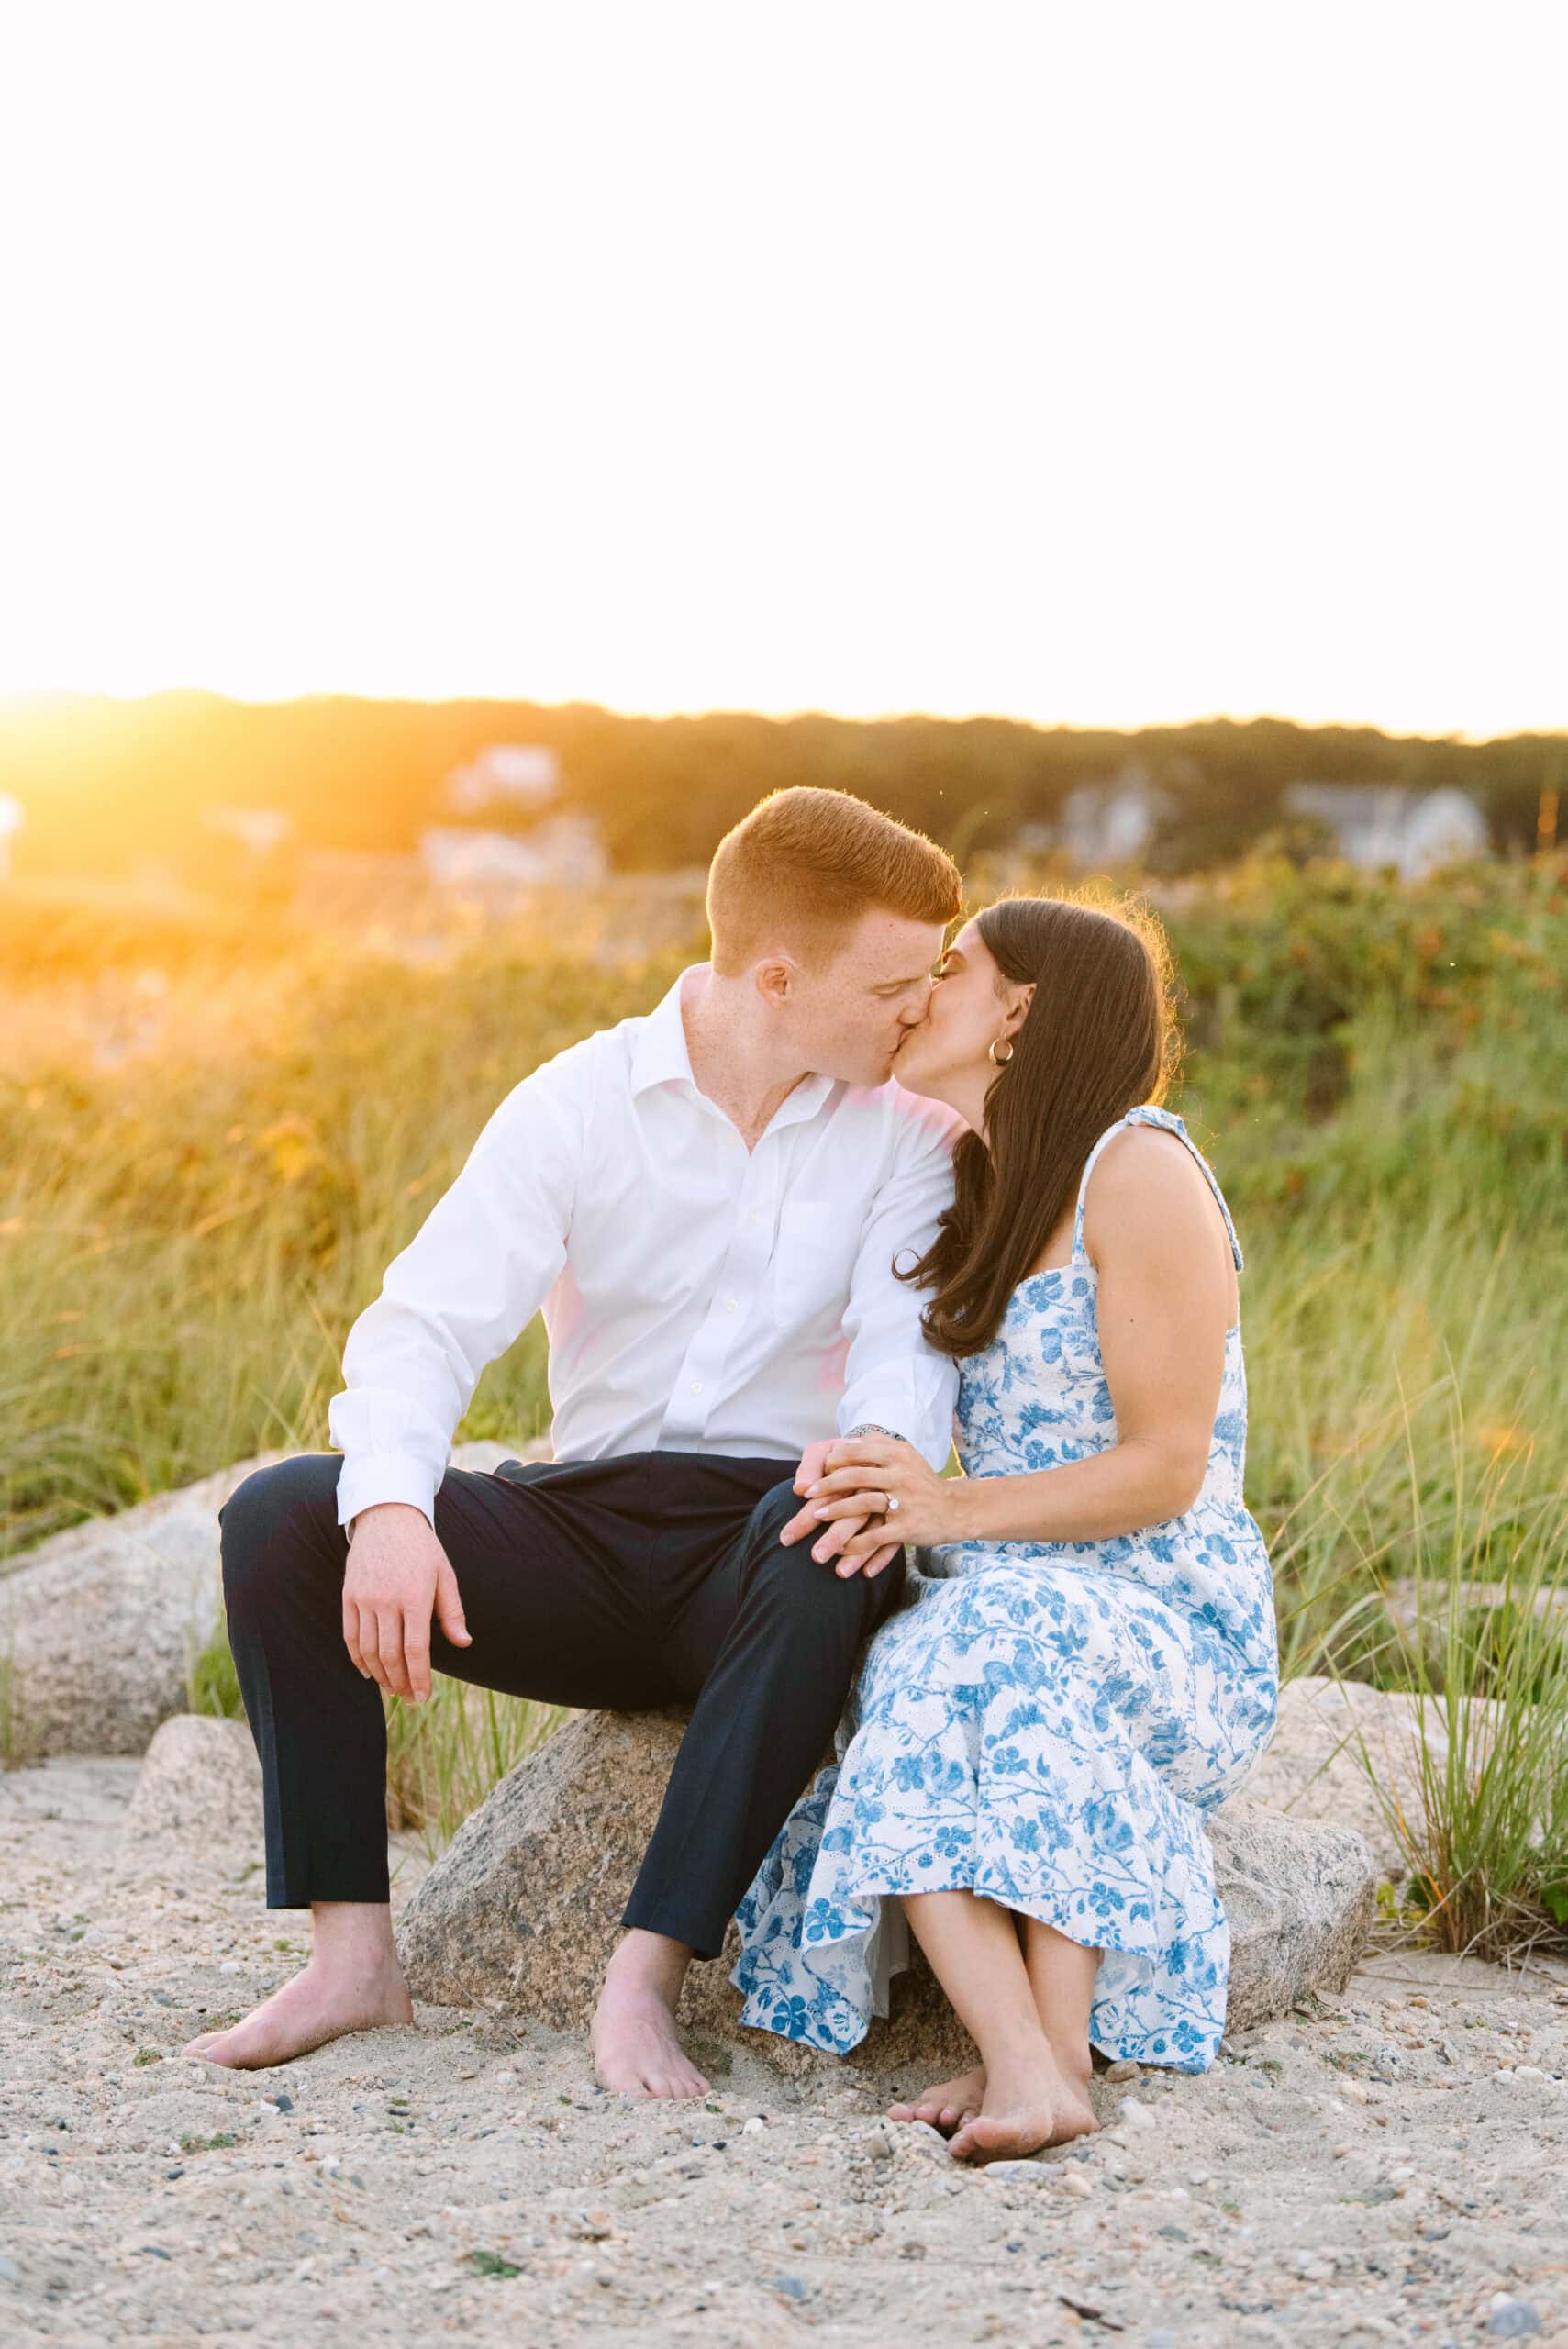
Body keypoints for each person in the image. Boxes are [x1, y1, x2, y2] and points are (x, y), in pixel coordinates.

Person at [187, 785, 968, 2096]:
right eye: (895, 983)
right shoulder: (579, 1100)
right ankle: (352, 1958)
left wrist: (876, 1456)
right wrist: (389, 1511)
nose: (920, 1011)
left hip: (762, 1545)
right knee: (280, 1515)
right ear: (775, 976)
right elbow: (422, 1324)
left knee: (830, 1534)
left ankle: (641, 1984)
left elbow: (906, 1352)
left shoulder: (910, 1136)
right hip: (581, 1530)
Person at [737, 892, 1281, 2162]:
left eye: (952, 970)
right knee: (910, 1657)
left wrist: (944, 1508)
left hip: (1164, 1611)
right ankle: (1034, 2069)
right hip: (1012, 1598)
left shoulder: (1134, 1171)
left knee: (981, 1632)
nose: (922, 991)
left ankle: (1030, 2063)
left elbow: (1165, 1464)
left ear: (1017, 1014)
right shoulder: (979, 1180)